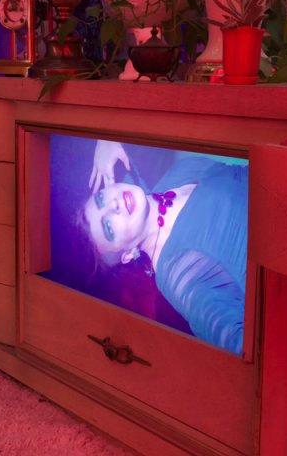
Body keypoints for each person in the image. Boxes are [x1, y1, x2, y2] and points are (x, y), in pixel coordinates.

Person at [80, 140, 248, 354]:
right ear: (128, 254)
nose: (113, 205)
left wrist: (104, 136)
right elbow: (238, 343)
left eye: (101, 198)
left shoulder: (175, 174)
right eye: (109, 227)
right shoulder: (180, 272)